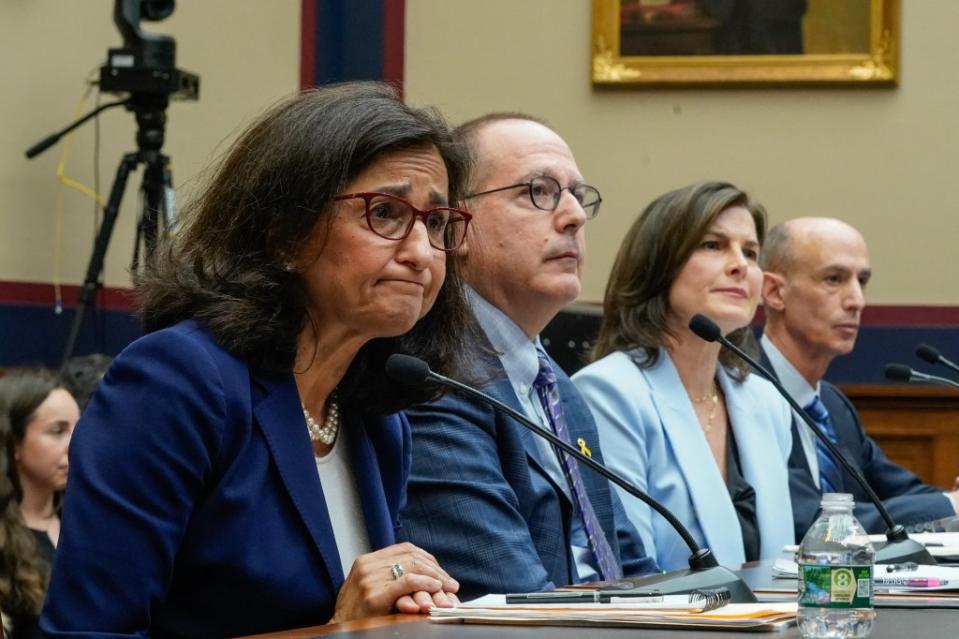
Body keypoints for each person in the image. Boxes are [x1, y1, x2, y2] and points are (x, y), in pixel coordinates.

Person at [40, 82, 474, 637]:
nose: (420, 252)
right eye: (386, 213)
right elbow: (88, 634)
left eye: (437, 223)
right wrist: (338, 630)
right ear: (284, 236)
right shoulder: (177, 381)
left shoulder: (378, 421)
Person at [398, 113, 658, 600]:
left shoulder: (562, 391)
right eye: (539, 191)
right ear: (456, 226)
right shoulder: (437, 380)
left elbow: (635, 572)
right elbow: (516, 605)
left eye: (577, 195)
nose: (574, 216)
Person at [573, 181, 794, 572]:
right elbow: (628, 570)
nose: (740, 265)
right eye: (712, 245)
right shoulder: (609, 393)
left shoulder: (765, 400)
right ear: (660, 264)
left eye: (751, 252)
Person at [759, 217, 959, 541]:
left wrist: (949, 503)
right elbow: (806, 520)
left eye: (861, 281)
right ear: (774, 292)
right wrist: (950, 505)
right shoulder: (741, 393)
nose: (856, 301)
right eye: (834, 279)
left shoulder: (832, 405)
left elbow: (900, 491)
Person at [0, 369, 79, 639]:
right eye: (58, 431)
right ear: (14, 444)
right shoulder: (4, 542)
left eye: (78, 429)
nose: (75, 444)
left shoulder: (84, 520)